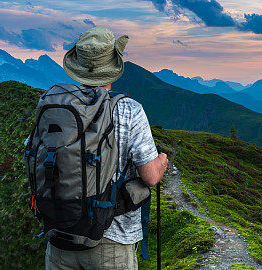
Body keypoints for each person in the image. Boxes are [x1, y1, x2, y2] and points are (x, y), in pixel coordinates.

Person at [42, 27, 169, 269]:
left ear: (77, 66)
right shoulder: (129, 109)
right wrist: (161, 161)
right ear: (113, 67)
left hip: (60, 240)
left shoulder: (52, 106)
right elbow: (150, 177)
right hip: (112, 243)